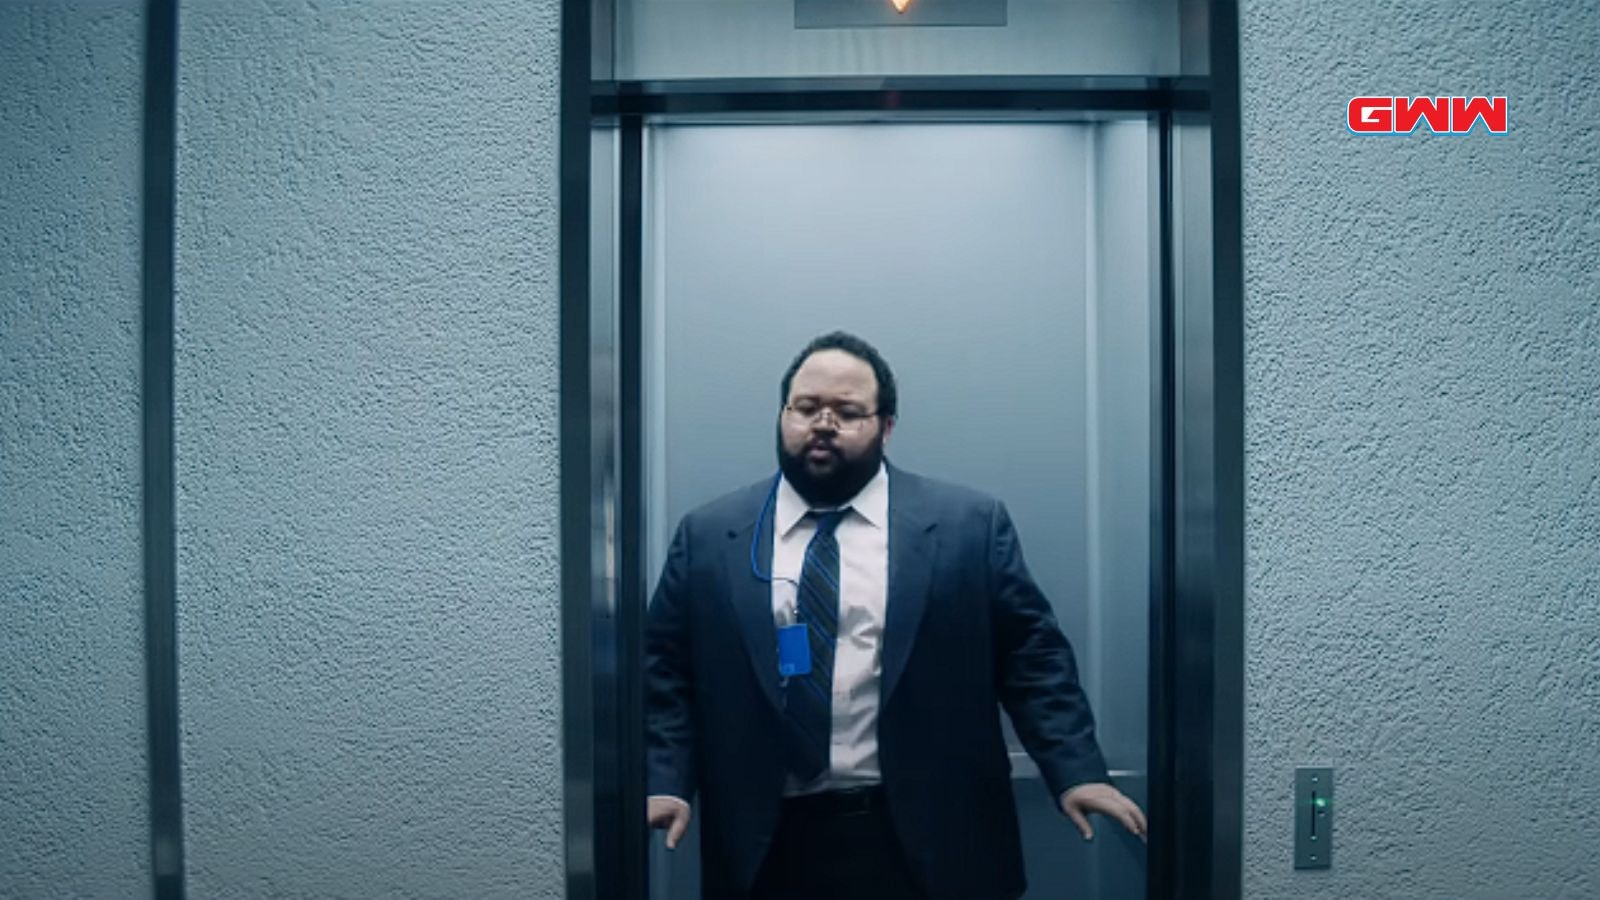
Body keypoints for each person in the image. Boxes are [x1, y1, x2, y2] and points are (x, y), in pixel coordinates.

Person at [645, 331, 1146, 900]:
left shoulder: (967, 527)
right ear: (783, 414)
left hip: (930, 842)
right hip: (767, 844)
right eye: (806, 407)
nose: (823, 423)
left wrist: (1076, 771)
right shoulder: (712, 536)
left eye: (848, 412)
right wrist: (666, 781)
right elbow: (667, 673)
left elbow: (1033, 661)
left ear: (885, 427)